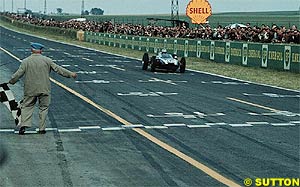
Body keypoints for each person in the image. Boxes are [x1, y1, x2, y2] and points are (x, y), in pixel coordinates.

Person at [9, 43, 77, 135]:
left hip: (30, 89)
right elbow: (58, 69)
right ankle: (42, 128)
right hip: (44, 88)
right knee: (43, 108)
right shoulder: (47, 60)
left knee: (27, 106)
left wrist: (12, 81)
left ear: (31, 50)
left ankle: (24, 126)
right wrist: (70, 74)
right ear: (41, 51)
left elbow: (18, 74)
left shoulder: (26, 61)